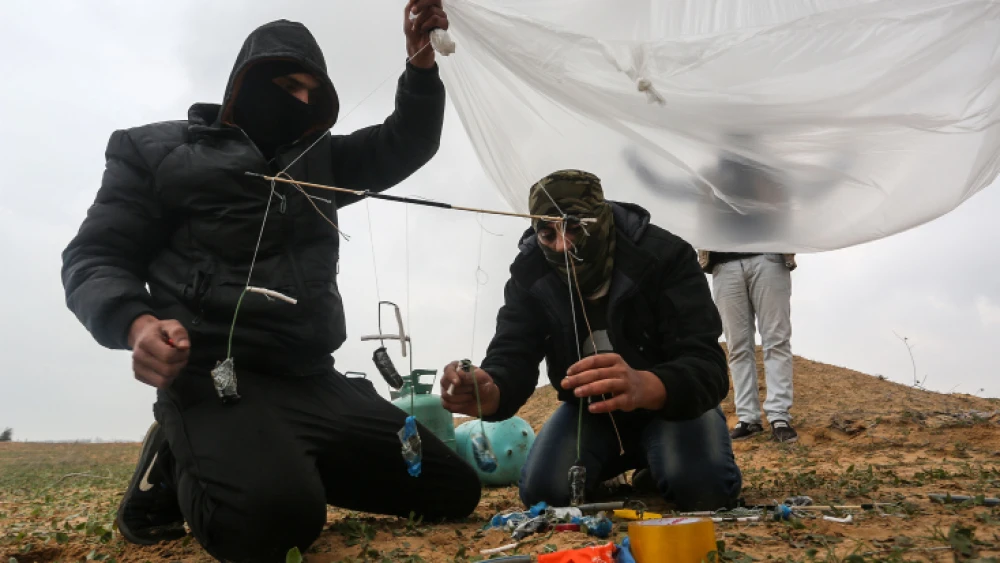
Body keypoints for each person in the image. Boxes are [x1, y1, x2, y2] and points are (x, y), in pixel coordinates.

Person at [61, 6, 481, 561]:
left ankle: (279, 455)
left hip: (313, 378)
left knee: (452, 490)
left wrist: (420, 65)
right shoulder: (152, 152)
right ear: (246, 83)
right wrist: (136, 324)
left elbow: (406, 143)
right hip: (217, 374)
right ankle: (176, 455)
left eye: (313, 91)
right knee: (275, 525)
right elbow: (93, 257)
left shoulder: (322, 161)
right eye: (287, 85)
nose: (301, 102)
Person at [440, 170, 742, 511]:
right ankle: (620, 467)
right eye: (547, 233)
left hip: (671, 406)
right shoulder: (530, 274)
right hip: (590, 413)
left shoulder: (665, 256)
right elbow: (513, 354)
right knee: (545, 493)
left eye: (574, 227)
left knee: (703, 490)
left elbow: (707, 364)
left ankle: (657, 465)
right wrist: (490, 390)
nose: (562, 244)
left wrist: (645, 385)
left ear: (600, 217)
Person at [697, 251, 798, 443]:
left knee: (777, 340)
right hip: (724, 264)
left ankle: (779, 416)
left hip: (769, 256)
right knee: (737, 346)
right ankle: (747, 418)